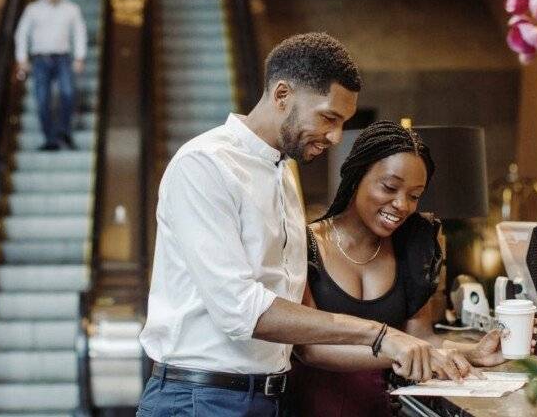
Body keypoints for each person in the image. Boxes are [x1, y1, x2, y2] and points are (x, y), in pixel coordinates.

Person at [138, 33, 476, 417]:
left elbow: (301, 339)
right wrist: (377, 333)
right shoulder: (205, 165)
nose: (335, 137)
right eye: (329, 118)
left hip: (267, 399)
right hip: (202, 399)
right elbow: (240, 310)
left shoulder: (283, 171)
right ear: (282, 94)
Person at [287, 121, 517, 416]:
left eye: (414, 195)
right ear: (357, 176)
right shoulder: (305, 245)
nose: (401, 205)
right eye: (390, 187)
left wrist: (472, 353)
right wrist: (393, 348)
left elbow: (420, 337)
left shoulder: (412, 245)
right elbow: (309, 349)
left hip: (388, 409)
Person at [13, 0, 87, 151]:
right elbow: (21, 34)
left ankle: (64, 132)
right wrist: (22, 58)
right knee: (42, 100)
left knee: (68, 93)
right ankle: (50, 139)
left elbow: (79, 33)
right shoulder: (32, 10)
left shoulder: (71, 9)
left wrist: (79, 57)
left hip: (62, 58)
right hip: (40, 60)